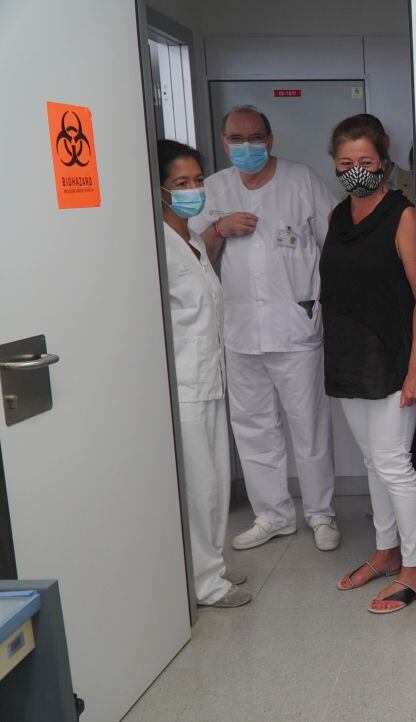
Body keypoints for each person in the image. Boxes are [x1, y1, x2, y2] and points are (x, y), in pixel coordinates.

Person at [189, 106, 341, 552]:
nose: (247, 146)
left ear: (270, 140)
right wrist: (219, 228)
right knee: (253, 427)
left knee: (309, 426)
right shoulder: (213, 188)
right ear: (224, 141)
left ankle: (321, 513)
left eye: (255, 138)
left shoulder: (301, 180)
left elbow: (333, 246)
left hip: (295, 327)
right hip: (237, 330)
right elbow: (192, 258)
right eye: (237, 138)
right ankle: (272, 515)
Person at [322, 115, 416, 614]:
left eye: (365, 162)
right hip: (347, 355)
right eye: (346, 163)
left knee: (393, 463)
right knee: (372, 462)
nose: (355, 171)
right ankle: (386, 552)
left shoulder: (402, 215)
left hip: (391, 357)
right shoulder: (335, 217)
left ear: (384, 162)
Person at [158, 139, 250, 608]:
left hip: (210, 379)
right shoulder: (156, 247)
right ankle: (203, 585)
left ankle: (212, 567)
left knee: (214, 479)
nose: (193, 189)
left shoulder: (191, 238)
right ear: (159, 189)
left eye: (197, 181)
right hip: (183, 387)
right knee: (198, 487)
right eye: (181, 183)